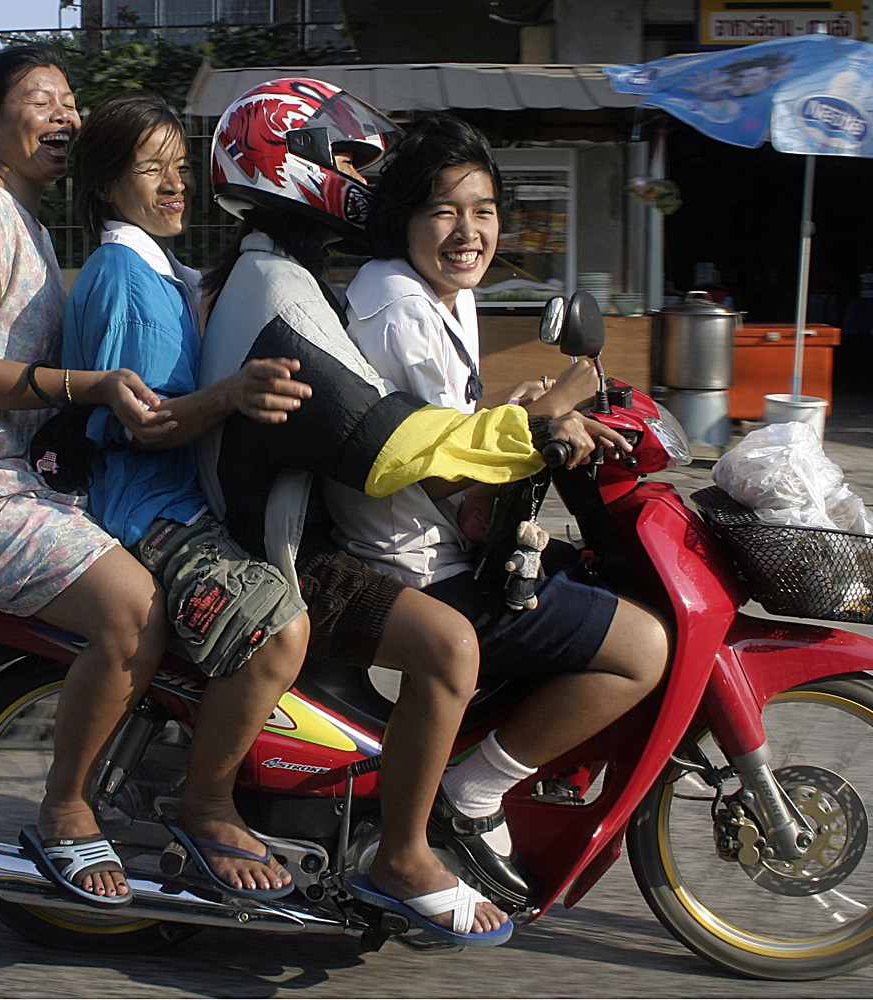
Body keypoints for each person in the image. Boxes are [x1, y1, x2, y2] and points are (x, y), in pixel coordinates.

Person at [195, 78, 624, 947]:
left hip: (300, 525)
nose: (362, 177)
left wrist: (522, 423)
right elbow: (386, 443)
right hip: (293, 557)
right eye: (346, 158)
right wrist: (533, 427)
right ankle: (401, 856)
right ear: (289, 162)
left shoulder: (287, 273)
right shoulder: (283, 296)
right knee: (451, 643)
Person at [335, 113, 671, 909]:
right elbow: (452, 478)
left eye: (483, 211)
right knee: (642, 648)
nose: (469, 232)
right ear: (407, 217)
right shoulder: (400, 307)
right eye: (445, 211)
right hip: (415, 564)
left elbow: (455, 426)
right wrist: (556, 408)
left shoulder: (438, 292)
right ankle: (474, 789)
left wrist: (525, 410)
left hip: (446, 543)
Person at [0, 46, 171, 907]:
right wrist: (94, 388)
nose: (64, 115)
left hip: (13, 473)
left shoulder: (34, 225)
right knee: (134, 607)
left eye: (70, 101)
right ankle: (66, 809)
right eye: (40, 100)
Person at [59, 90, 313, 899]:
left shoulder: (165, 273)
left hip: (185, 503)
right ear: (107, 185)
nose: (175, 186)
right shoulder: (121, 277)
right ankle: (206, 801)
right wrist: (235, 394)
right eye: (151, 170)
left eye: (180, 168)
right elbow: (142, 426)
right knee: (278, 631)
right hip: (147, 514)